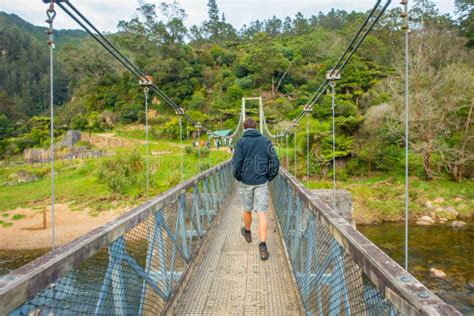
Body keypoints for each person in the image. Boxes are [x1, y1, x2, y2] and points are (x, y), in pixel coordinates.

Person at [232, 118, 280, 260]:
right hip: (261, 182)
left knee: (247, 209)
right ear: (256, 127)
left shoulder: (240, 142)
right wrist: (269, 177)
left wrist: (239, 177)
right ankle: (263, 246)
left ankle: (247, 232)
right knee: (262, 213)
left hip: (246, 182)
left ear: (244, 128)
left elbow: (236, 163)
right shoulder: (266, 141)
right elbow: (275, 162)